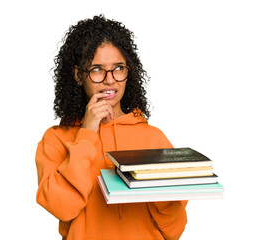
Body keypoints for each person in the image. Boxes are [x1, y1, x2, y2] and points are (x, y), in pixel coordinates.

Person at [35, 15, 187, 240]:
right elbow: (62, 207)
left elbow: (175, 230)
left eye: (118, 68)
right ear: (78, 75)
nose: (110, 80)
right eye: (97, 69)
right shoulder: (56, 139)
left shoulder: (153, 138)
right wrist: (86, 135)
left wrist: (165, 195)